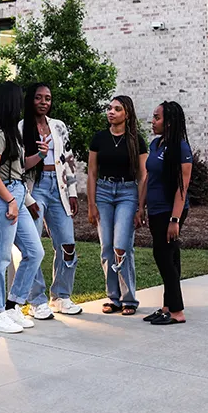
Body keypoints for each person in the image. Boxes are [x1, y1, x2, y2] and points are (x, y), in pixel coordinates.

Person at [0, 82, 48, 334]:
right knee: (0, 258)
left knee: (34, 251)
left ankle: (12, 305)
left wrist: (39, 156)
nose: (23, 105)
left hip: (16, 193)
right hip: (0, 198)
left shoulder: (12, 134)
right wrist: (10, 200)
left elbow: (18, 169)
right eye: (19, 100)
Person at [20, 83, 83, 318]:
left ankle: (61, 296)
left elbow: (68, 159)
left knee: (68, 244)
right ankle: (36, 300)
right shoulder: (20, 128)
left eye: (48, 98)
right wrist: (27, 199)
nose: (44, 102)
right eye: (39, 98)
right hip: (34, 189)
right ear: (31, 100)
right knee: (33, 246)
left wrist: (73, 192)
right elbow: (17, 168)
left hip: (59, 188)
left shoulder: (59, 126)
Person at [87, 95, 148, 316]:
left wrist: (142, 206)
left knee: (121, 246)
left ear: (127, 114)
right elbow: (92, 172)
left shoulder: (136, 140)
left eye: (117, 109)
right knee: (106, 247)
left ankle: (129, 298)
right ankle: (113, 298)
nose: (111, 112)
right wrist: (91, 203)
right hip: (103, 192)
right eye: (110, 108)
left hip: (127, 193)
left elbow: (143, 175)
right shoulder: (99, 138)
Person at [142, 101, 194, 325]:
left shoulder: (181, 148)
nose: (152, 122)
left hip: (170, 210)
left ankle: (177, 311)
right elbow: (147, 178)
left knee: (163, 257)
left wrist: (175, 220)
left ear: (169, 122)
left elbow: (182, 186)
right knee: (170, 257)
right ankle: (167, 306)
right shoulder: (155, 144)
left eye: (157, 118)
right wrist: (139, 207)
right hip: (154, 209)